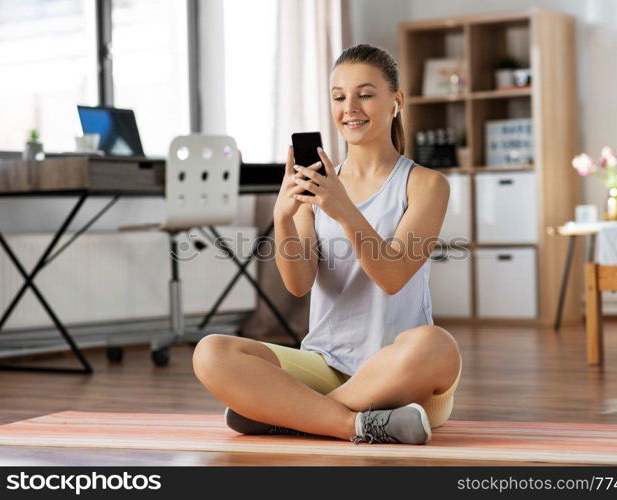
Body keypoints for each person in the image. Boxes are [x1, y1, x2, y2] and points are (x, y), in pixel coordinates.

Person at [193, 43, 461, 445]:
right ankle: (352, 424)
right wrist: (282, 217)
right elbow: (298, 284)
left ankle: (293, 415)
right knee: (210, 352)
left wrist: (343, 209)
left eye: (366, 94)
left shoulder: (426, 184)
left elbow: (392, 276)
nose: (350, 107)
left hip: (400, 372)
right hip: (324, 364)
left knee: (437, 345)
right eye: (339, 97)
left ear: (396, 102)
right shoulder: (317, 184)